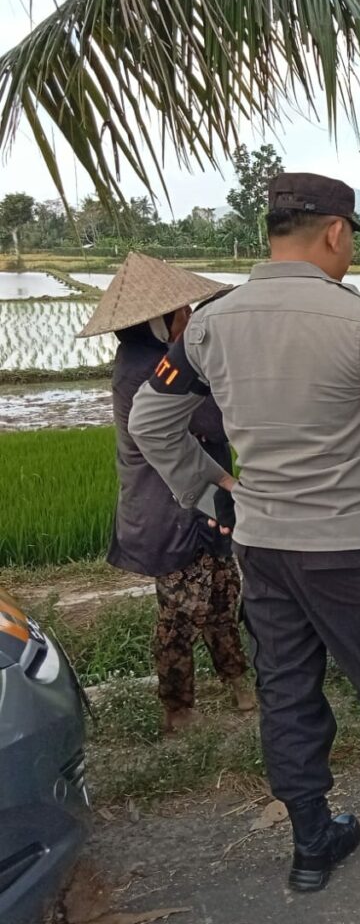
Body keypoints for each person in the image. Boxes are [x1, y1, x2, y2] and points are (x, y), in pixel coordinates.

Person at [128, 174, 360, 892]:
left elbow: (150, 421)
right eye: (351, 236)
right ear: (334, 232)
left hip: (262, 547)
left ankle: (312, 844)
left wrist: (213, 491)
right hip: (351, 547)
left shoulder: (209, 323)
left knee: (287, 688)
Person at [77, 252, 254, 734]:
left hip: (202, 498)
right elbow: (212, 420)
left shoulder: (158, 358)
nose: (190, 317)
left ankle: (237, 679)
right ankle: (178, 708)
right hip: (170, 507)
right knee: (181, 612)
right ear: (159, 319)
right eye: (183, 311)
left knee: (222, 593)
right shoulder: (148, 369)